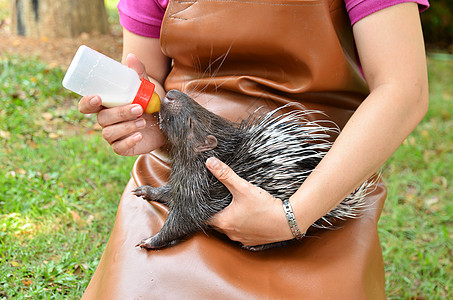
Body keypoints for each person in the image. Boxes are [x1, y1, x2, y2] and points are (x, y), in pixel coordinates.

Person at [79, 0, 429, 298]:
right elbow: (149, 76)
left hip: (321, 183)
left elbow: (403, 90)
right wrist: (143, 119)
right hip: (184, 163)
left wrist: (293, 215)